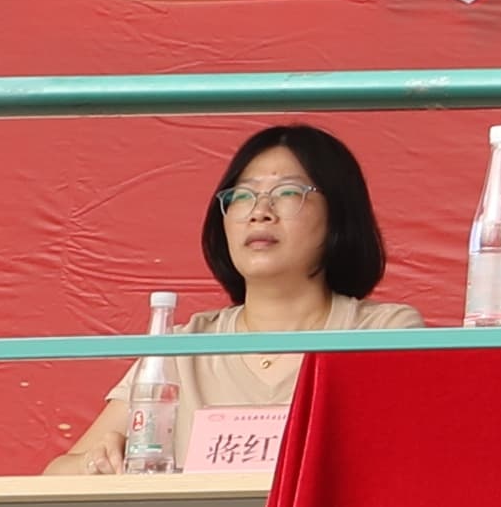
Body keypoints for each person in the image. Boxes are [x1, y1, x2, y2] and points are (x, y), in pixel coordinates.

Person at [49, 122, 423, 476]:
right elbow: (57, 475)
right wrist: (99, 461)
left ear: (338, 216)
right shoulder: (180, 351)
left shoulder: (383, 333)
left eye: (287, 193)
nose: (259, 212)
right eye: (242, 196)